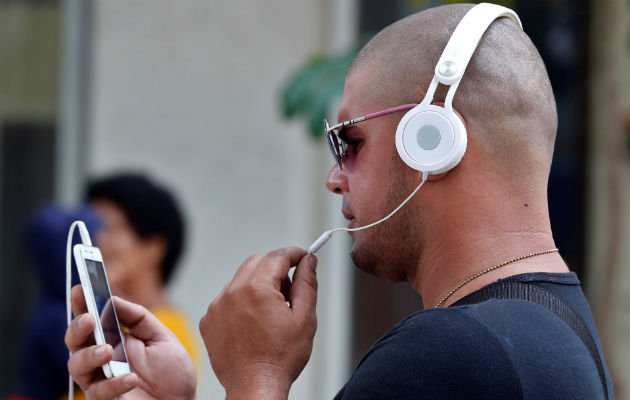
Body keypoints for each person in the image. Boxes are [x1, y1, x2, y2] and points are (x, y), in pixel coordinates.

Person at [64, 3, 614, 399]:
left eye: (347, 142)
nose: (333, 178)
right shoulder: (559, 327)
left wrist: (256, 374)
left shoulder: (452, 354)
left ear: (433, 139)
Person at [85, 173, 199, 367]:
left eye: (109, 229)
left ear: (153, 248)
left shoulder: (167, 336)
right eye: (91, 228)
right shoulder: (106, 317)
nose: (95, 241)